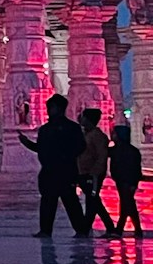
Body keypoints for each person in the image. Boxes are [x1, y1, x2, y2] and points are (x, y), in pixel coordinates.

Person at [18, 93, 89, 240]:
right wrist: (27, 143)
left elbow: (81, 146)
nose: (49, 110)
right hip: (50, 171)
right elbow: (41, 148)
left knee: (70, 201)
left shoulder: (71, 128)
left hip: (64, 170)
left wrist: (65, 156)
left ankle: (81, 230)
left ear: (59, 108)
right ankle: (46, 230)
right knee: (48, 202)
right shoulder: (46, 129)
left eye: (51, 107)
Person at [76, 107, 112, 233]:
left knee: (93, 199)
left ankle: (90, 228)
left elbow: (101, 156)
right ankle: (90, 228)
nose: (81, 119)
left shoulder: (97, 136)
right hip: (84, 172)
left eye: (84, 117)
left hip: (93, 174)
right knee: (92, 200)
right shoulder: (86, 134)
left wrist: (95, 172)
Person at [109, 121, 144, 240]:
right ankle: (130, 229)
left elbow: (135, 168)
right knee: (126, 204)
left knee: (127, 204)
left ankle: (122, 229)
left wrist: (133, 183)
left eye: (114, 134)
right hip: (123, 180)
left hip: (126, 181)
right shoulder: (128, 150)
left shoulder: (123, 151)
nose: (112, 136)